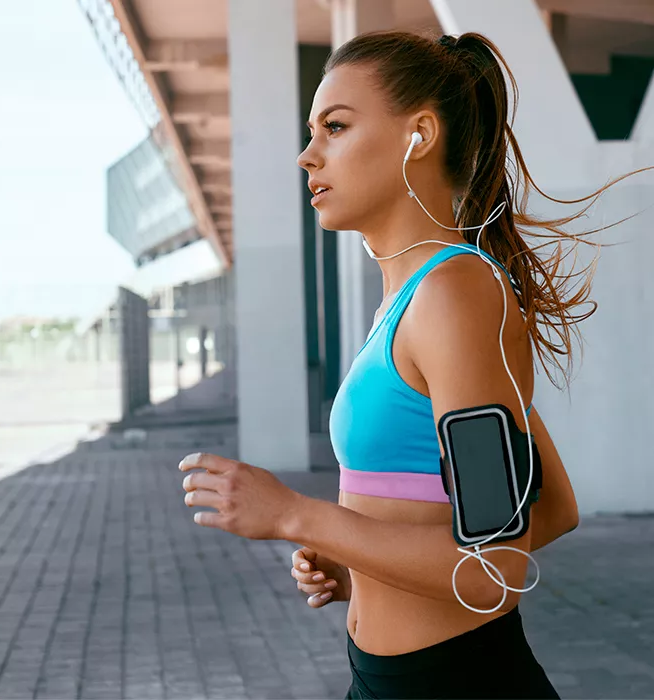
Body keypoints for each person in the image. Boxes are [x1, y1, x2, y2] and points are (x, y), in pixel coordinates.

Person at [179, 28, 647, 700]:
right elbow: (555, 509)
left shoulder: (455, 295)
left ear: (418, 134)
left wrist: (296, 516)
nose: (308, 156)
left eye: (335, 127)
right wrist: (361, 567)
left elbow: (494, 569)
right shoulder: (408, 305)